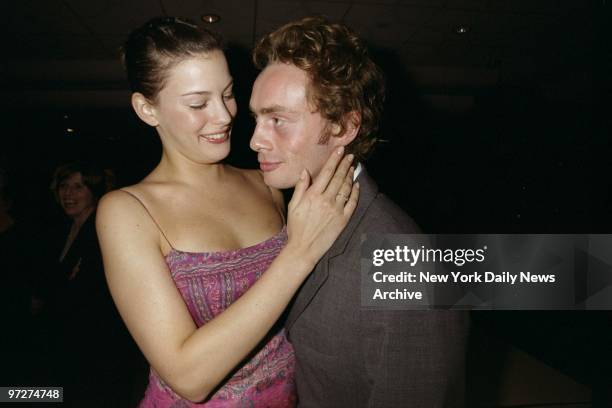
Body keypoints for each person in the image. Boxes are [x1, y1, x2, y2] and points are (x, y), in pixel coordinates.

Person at [96, 17, 358, 407]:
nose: (223, 116)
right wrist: (299, 253)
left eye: (228, 94)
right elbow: (189, 376)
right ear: (147, 109)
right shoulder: (127, 211)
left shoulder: (265, 183)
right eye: (199, 103)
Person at [249, 16, 469, 407]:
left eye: (278, 119)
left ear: (345, 126)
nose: (255, 140)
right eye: (256, 118)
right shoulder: (287, 215)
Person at [45, 162, 138, 406]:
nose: (68, 194)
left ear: (93, 191)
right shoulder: (62, 227)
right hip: (69, 338)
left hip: (99, 342)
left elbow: (92, 291)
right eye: (64, 186)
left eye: (78, 187)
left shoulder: (102, 228)